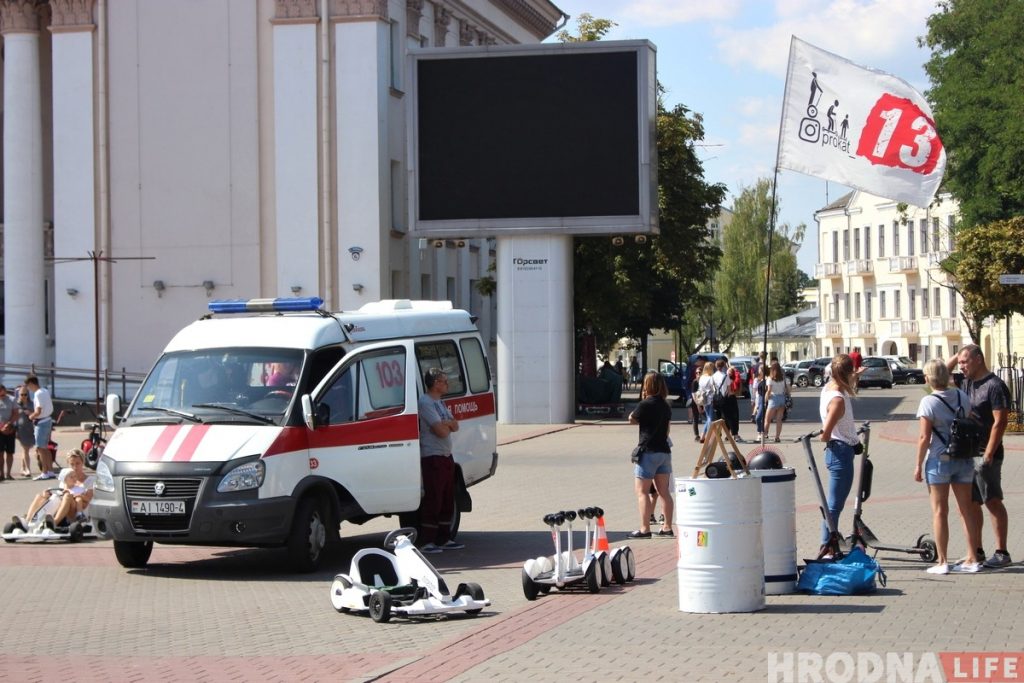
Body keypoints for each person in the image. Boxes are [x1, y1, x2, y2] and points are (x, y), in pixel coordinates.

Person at [946, 344, 1012, 569]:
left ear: (979, 359)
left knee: (991, 500)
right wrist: (957, 355)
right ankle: (976, 551)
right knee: (970, 503)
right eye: (960, 362)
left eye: (965, 362)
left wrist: (990, 453)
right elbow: (939, 376)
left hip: (986, 453)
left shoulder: (995, 386)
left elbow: (1000, 421)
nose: (961, 366)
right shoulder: (965, 382)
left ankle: (1002, 552)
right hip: (966, 452)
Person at [914, 359, 981, 574]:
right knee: (966, 510)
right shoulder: (962, 396)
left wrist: (917, 465)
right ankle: (972, 557)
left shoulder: (928, 402)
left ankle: (942, 561)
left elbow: (924, 437)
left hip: (939, 460)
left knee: (940, 511)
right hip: (963, 458)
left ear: (928, 378)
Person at [416, 368, 464, 554]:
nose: (447, 384)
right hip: (432, 456)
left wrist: (448, 424)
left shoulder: (440, 403)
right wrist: (447, 424)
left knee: (446, 498)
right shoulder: (426, 402)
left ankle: (444, 538)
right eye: (444, 381)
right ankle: (427, 541)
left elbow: (456, 425)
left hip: (446, 456)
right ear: (435, 383)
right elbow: (441, 431)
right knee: (433, 499)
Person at [818, 354, 859, 549]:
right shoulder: (837, 399)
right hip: (840, 451)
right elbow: (826, 433)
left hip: (840, 449)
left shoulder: (828, 388)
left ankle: (829, 541)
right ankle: (826, 545)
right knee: (834, 505)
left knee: (834, 503)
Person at [627, 371, 673, 538]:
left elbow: (631, 419)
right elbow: (667, 429)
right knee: (664, 492)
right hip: (664, 452)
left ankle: (645, 529)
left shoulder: (645, 404)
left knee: (642, 492)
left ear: (647, 386)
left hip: (648, 452)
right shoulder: (666, 405)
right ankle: (667, 527)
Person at [12, 449, 94, 531]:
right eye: (72, 464)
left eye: (78, 463)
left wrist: (78, 496)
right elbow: (59, 494)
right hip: (64, 506)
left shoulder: (89, 480)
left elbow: (89, 500)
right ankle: (28, 522)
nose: (75, 467)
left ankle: (55, 522)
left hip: (78, 510)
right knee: (41, 496)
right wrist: (48, 494)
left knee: (67, 496)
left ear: (82, 463)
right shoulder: (66, 479)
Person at [24, 376, 56, 480]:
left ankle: (44, 472)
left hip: (41, 422)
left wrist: (31, 416)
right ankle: (50, 471)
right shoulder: (45, 391)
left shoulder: (38, 394)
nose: (28, 389)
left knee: (40, 448)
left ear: (32, 384)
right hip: (47, 420)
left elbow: (38, 411)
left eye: (28, 386)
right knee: (45, 447)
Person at [763, 362, 789, 443]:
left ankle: (764, 435)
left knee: (767, 419)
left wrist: (765, 400)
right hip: (781, 398)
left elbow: (769, 391)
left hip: (773, 399)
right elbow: (788, 389)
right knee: (779, 420)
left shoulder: (770, 379)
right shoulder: (783, 379)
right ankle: (777, 437)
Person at [0, 385, 19, 481]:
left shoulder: (12, 399)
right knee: (0, 452)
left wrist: (9, 424)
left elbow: (16, 413)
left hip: (10, 429)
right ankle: (1, 474)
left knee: (10, 452)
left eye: (2, 393)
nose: (1, 395)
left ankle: (9, 473)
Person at [15, 386, 34, 478]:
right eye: (21, 394)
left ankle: (22, 468)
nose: (23, 396)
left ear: (28, 394)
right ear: (18, 395)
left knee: (25, 449)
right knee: (25, 449)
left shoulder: (32, 403)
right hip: (20, 429)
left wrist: (30, 413)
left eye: (25, 394)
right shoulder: (16, 404)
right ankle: (28, 469)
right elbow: (13, 416)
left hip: (30, 428)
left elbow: (36, 415)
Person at [697, 362, 716, 441]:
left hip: (703, 398)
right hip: (710, 398)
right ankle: (708, 436)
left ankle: (702, 435)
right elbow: (713, 388)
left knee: (708, 417)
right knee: (710, 418)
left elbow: (700, 388)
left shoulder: (701, 377)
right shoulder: (710, 378)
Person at [689, 358, 705, 442]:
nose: (698, 374)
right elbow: (693, 394)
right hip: (695, 402)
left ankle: (707, 433)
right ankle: (696, 435)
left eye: (699, 372)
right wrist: (698, 405)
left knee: (709, 417)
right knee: (695, 418)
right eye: (696, 373)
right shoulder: (695, 382)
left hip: (703, 401)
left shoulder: (703, 381)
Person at [751, 364, 767, 442]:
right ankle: (760, 433)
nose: (758, 371)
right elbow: (755, 391)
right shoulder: (758, 379)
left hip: (764, 399)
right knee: (759, 418)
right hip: (759, 399)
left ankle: (761, 433)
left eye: (759, 370)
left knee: (759, 417)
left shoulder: (766, 379)